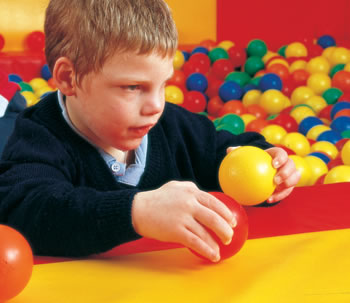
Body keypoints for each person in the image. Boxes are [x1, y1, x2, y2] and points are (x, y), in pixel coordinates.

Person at [0, 0, 299, 263]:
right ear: (69, 78)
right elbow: (27, 212)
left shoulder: (173, 126)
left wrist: (271, 168)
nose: (156, 105)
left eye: (163, 84)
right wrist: (137, 212)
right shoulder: (38, 137)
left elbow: (224, 152)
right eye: (133, 87)